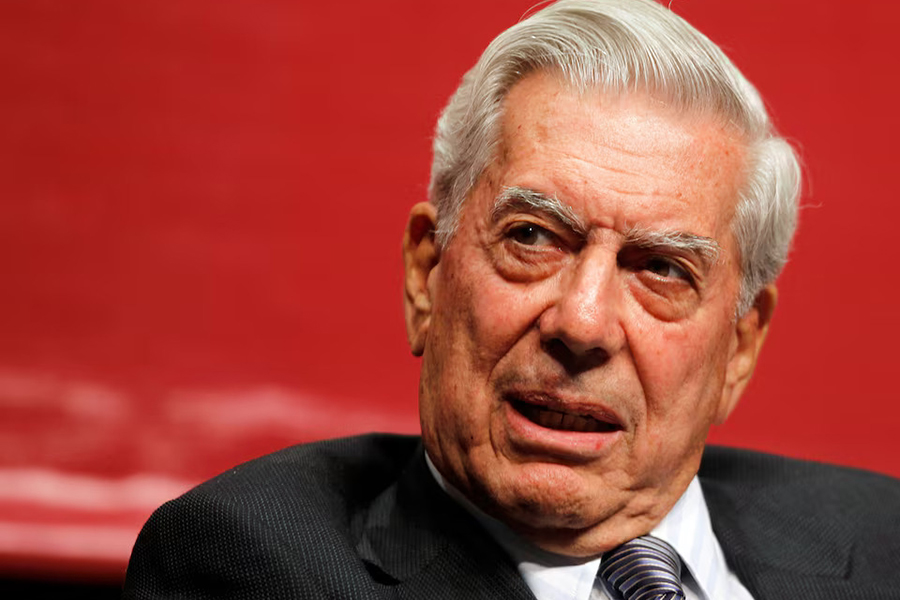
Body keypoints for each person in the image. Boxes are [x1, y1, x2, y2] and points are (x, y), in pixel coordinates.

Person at [123, 0, 900, 598]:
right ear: (427, 275)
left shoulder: (884, 541)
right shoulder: (253, 566)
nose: (583, 323)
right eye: (533, 238)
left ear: (739, 348)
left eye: (661, 269)